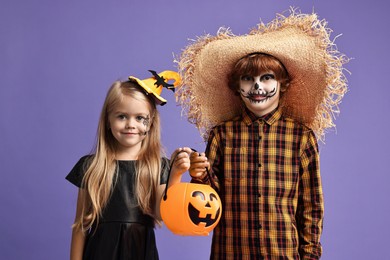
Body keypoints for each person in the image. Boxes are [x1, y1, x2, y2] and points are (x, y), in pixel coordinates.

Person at [175, 9, 349, 260]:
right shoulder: (222, 135)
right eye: (248, 78)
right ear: (238, 87)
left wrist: (310, 254)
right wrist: (199, 173)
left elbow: (311, 205)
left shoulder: (301, 138)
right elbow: (209, 201)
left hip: (283, 253)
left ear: (282, 84)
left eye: (266, 78)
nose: (257, 86)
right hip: (231, 252)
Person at [66, 70, 192, 260]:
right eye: (122, 116)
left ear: (151, 123)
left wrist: (175, 174)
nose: (131, 124)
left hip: (141, 252)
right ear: (108, 120)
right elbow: (80, 225)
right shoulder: (91, 166)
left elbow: (161, 214)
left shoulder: (158, 166)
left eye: (140, 118)